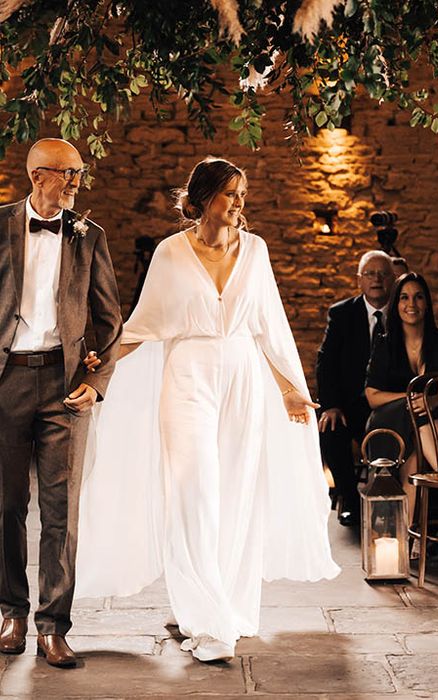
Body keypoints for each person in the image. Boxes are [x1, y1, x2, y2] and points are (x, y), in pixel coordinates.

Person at [75, 158, 339, 663]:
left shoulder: (255, 250)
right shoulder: (171, 253)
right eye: (229, 194)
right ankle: (206, 620)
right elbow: (143, 323)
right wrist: (101, 359)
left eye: (241, 193)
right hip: (188, 377)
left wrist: (288, 387)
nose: (239, 203)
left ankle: (225, 603)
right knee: (193, 491)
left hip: (242, 378)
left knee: (235, 494)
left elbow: (268, 323)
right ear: (201, 201)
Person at [0, 138, 123, 668]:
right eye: (67, 174)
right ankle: (10, 613)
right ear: (38, 178)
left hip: (64, 383)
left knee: (61, 512)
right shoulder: (0, 224)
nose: (76, 182)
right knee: (5, 506)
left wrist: (98, 383)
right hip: (6, 380)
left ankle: (54, 626)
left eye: (79, 173)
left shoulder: (89, 236)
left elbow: (111, 318)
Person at [365, 273, 438, 534]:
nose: (412, 304)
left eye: (418, 297)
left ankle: (409, 535)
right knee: (416, 411)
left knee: (415, 457)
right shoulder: (384, 343)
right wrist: (410, 398)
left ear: (427, 303)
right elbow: (373, 396)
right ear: (396, 304)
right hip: (388, 424)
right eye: (404, 297)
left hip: (433, 422)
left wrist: (432, 399)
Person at [316, 250, 396, 526]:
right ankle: (348, 498)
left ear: (393, 279)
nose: (377, 279)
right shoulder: (341, 313)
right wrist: (331, 405)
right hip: (349, 403)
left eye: (383, 273)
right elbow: (325, 363)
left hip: (388, 403)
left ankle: (391, 503)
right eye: (370, 273)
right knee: (330, 425)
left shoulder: (402, 312)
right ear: (359, 280)